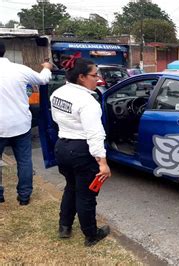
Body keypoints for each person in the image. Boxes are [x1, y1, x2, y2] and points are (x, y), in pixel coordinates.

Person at [50, 56, 112, 246]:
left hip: (62, 147)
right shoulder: (88, 102)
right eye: (95, 75)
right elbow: (94, 135)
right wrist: (103, 163)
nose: (98, 78)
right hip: (81, 150)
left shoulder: (57, 94)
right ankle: (91, 235)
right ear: (82, 77)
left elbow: (56, 119)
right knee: (86, 195)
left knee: (71, 187)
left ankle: (64, 226)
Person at [0, 41, 52, 205]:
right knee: (24, 161)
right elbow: (43, 80)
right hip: (20, 125)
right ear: (4, 51)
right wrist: (46, 67)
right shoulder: (19, 69)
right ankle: (24, 197)